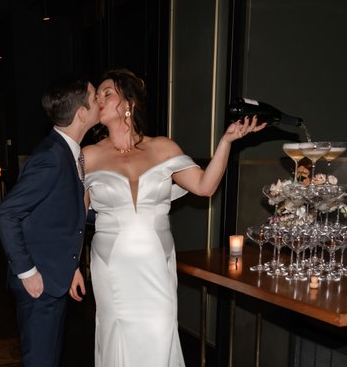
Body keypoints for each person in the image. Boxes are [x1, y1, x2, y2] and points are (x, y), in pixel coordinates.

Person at [69, 68, 265, 367]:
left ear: (128, 103)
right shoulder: (89, 155)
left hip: (156, 265)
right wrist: (71, 265)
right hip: (112, 268)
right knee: (116, 337)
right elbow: (75, 218)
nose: (99, 100)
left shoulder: (163, 148)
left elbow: (205, 186)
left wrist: (226, 142)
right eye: (97, 96)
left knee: (160, 332)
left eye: (107, 93)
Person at [0, 75, 99, 367]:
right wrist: (28, 272)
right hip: (38, 284)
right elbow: (7, 213)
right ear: (81, 113)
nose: (99, 103)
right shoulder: (52, 156)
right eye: (94, 99)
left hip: (54, 276)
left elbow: (56, 217)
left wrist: (70, 268)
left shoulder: (67, 152)